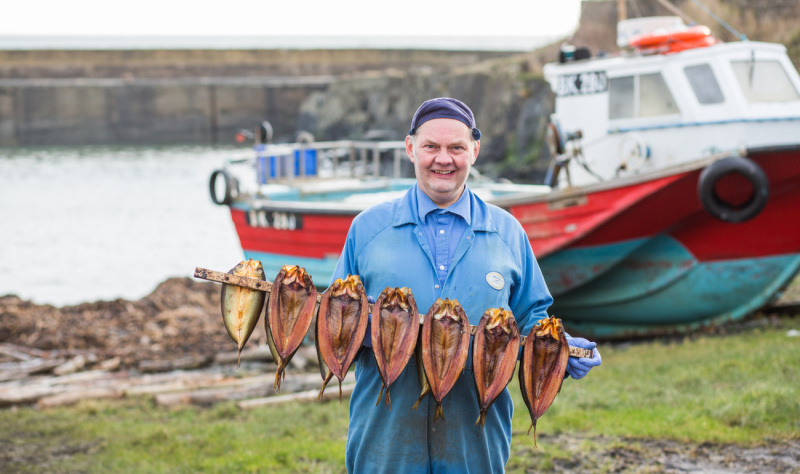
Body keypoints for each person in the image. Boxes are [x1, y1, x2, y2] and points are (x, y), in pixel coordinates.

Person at [330, 97, 601, 473]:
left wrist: (556, 348)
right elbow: (333, 323)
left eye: (456, 147)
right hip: (384, 439)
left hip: (475, 438)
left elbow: (530, 318)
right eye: (431, 147)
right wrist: (365, 331)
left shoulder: (507, 232)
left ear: (474, 150)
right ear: (411, 149)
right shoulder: (368, 229)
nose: (444, 159)